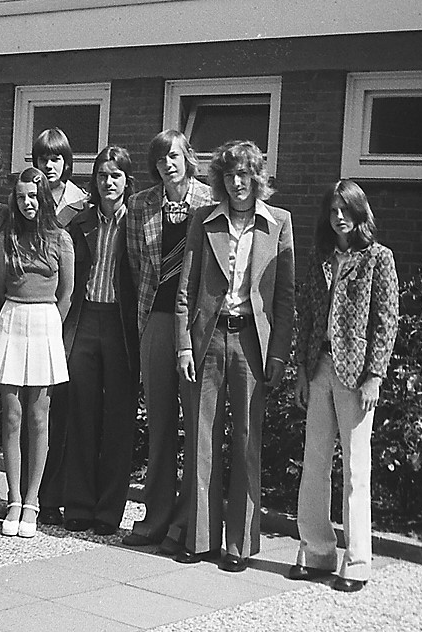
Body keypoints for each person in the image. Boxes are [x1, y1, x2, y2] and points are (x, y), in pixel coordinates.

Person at [174, 140, 294, 572]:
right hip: (207, 340)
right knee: (201, 438)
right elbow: (186, 290)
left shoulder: (279, 223)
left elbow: (285, 298)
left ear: (256, 177)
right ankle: (200, 539)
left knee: (246, 442)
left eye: (244, 174)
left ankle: (239, 545)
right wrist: (184, 345)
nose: (237, 183)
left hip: (251, 344)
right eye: (229, 176)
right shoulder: (204, 220)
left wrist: (278, 355)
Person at [289, 180, 398, 593]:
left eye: (345, 210)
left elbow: (386, 321)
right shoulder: (321, 256)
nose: (339, 217)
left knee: (355, 469)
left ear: (359, 212)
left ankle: (357, 561)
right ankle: (317, 551)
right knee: (314, 463)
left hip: (357, 377)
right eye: (333, 210)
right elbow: (307, 312)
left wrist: (375, 376)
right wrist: (302, 369)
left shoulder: (378, 259)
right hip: (320, 368)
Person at [122, 130, 215, 550]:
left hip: (198, 324)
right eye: (161, 159)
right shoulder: (141, 205)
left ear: (187, 157)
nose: (168, 165)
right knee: (159, 424)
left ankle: (187, 525)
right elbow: (137, 265)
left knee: (196, 425)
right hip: (156, 320)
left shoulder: (210, 202)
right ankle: (155, 518)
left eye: (174, 156)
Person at [0, 167, 74, 538]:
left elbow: (67, 293)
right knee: (11, 415)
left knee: (39, 415)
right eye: (20, 197)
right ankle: (14, 498)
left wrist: (50, 326)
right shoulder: (6, 237)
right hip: (11, 319)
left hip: (45, 322)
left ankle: (32, 502)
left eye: (33, 196)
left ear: (44, 197)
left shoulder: (61, 238)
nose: (27, 203)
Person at [61, 146, 139, 536]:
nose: (108, 182)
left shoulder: (137, 222)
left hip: (121, 324)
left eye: (116, 175)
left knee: (118, 418)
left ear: (127, 181)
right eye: (102, 175)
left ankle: (109, 511)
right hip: (86, 319)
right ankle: (78, 504)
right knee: (81, 412)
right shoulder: (81, 222)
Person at [29, 128, 87, 526]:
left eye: (56, 158)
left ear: (67, 162)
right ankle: (32, 494)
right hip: (32, 314)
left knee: (59, 409)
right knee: (34, 408)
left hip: (70, 315)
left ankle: (53, 495)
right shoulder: (29, 196)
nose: (49, 165)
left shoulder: (80, 204)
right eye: (43, 158)